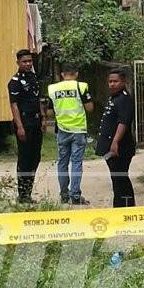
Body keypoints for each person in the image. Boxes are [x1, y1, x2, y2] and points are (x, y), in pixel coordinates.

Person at [47, 64, 94, 204]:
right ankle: (75, 195)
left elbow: (49, 112)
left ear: (62, 74)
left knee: (62, 162)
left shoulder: (52, 89)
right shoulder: (81, 87)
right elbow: (90, 108)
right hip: (78, 130)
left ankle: (64, 194)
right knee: (76, 162)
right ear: (77, 74)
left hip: (62, 130)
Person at [8, 49, 45, 203]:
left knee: (35, 158)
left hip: (36, 122)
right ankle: (22, 194)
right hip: (24, 123)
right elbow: (14, 105)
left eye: (30, 61)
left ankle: (28, 192)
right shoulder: (15, 81)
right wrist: (20, 127)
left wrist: (43, 119)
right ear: (18, 63)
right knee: (25, 159)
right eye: (25, 61)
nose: (28, 64)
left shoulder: (33, 78)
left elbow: (38, 100)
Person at [96, 68, 136, 208]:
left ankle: (124, 208)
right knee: (117, 178)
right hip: (111, 146)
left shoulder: (124, 99)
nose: (112, 84)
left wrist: (115, 142)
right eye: (110, 81)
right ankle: (121, 206)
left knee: (120, 179)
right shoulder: (114, 98)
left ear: (123, 82)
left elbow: (123, 122)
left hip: (120, 147)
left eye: (115, 81)